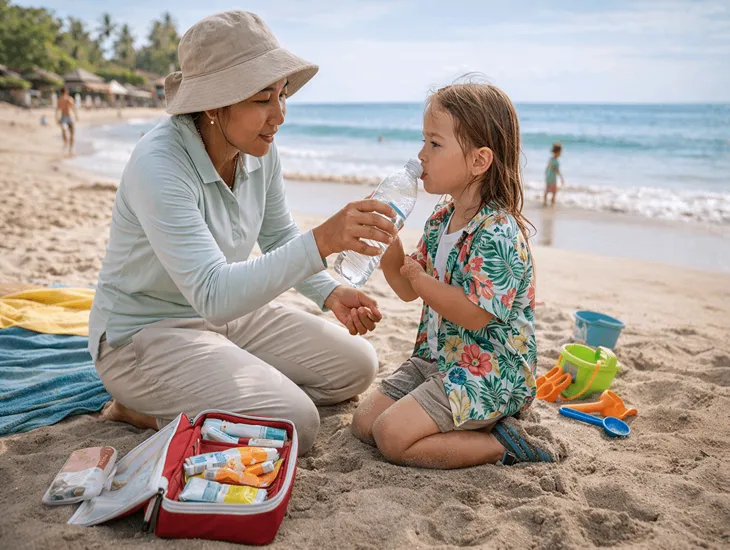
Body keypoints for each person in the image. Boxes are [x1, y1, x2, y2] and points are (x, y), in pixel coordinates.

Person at [89, 11, 400, 456]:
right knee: (298, 422)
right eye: (261, 99)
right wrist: (325, 240)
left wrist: (330, 294)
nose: (279, 115)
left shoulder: (257, 149)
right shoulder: (159, 165)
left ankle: (220, 387)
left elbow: (278, 236)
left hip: (225, 317)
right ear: (215, 105)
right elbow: (214, 293)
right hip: (143, 335)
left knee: (356, 368)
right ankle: (139, 409)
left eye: (282, 94)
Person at [351, 83, 554, 468]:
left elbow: (475, 315)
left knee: (392, 438)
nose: (421, 153)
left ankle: (504, 444)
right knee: (365, 423)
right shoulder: (441, 219)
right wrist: (387, 245)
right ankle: (462, 424)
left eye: (434, 143)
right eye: (423, 141)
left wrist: (421, 279)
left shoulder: (498, 231)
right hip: (437, 359)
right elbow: (406, 288)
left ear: (479, 161)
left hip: (489, 371)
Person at [56, 88, 78, 156]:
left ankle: (66, 143)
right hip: (69, 117)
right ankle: (70, 147)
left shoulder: (59, 100)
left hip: (63, 117)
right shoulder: (69, 99)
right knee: (72, 133)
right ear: (66, 92)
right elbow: (73, 108)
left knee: (64, 131)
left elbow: (57, 109)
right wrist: (76, 116)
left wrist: (57, 118)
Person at [543, 142, 564, 206]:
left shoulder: (551, 159)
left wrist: (546, 175)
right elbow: (557, 171)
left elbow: (547, 169)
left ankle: (545, 202)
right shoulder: (556, 161)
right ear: (557, 152)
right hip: (553, 178)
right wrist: (561, 178)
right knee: (554, 191)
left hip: (549, 177)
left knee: (547, 190)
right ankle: (552, 202)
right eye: (560, 152)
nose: (560, 153)